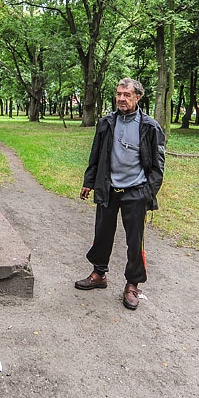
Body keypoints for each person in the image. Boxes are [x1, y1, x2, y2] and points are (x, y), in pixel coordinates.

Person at [76, 77, 166, 310]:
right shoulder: (106, 123)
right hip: (108, 189)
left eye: (126, 95)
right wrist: (89, 181)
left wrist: (148, 193)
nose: (121, 99)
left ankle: (133, 284)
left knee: (134, 242)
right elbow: (96, 155)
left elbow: (158, 166)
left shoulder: (149, 126)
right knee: (102, 234)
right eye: (118, 94)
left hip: (135, 192)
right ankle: (99, 274)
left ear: (137, 97)